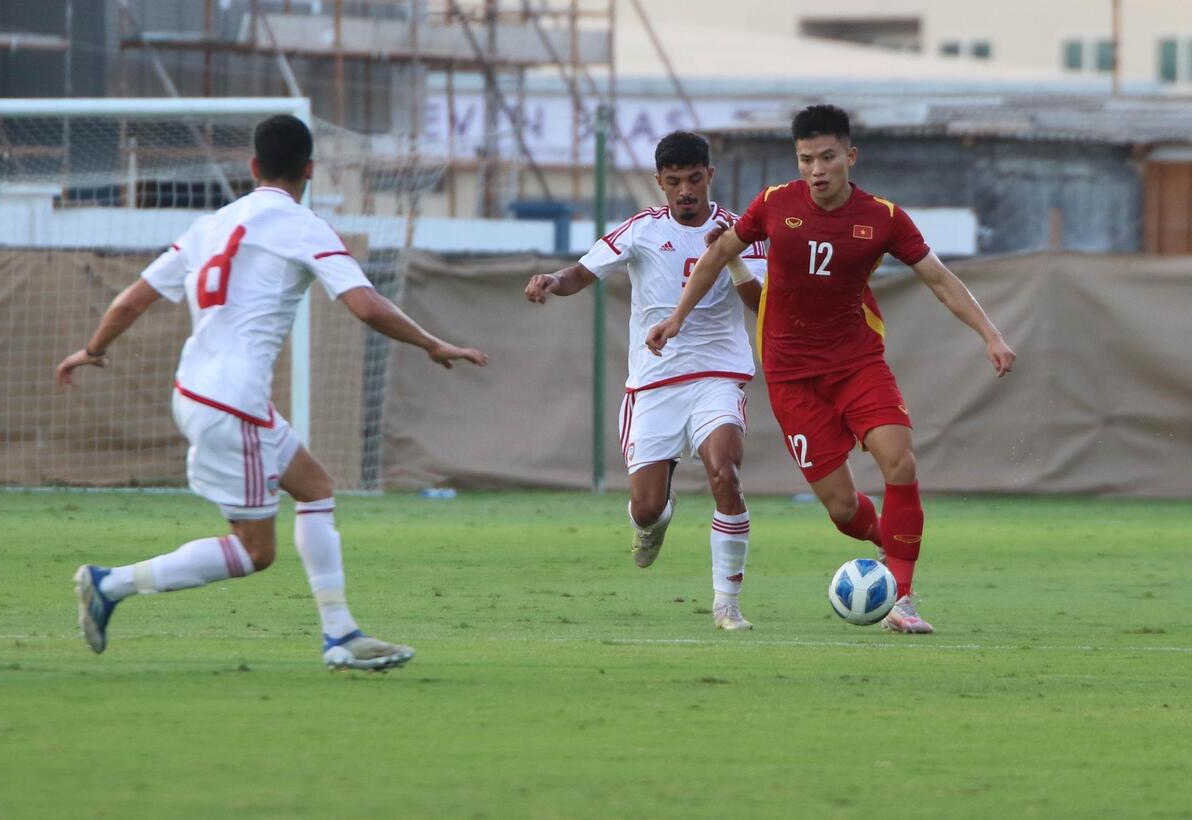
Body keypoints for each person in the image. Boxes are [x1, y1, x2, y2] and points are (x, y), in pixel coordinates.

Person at [58, 114, 488, 669]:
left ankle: (341, 633)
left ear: (253, 166)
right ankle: (109, 584)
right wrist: (430, 343)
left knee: (314, 487)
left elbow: (131, 301)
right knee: (254, 551)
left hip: (197, 391)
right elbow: (365, 304)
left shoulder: (211, 225)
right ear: (310, 169)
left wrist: (93, 349)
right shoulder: (304, 226)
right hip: (232, 402)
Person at [646, 105, 1016, 634]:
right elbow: (717, 254)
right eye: (806, 159)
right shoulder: (774, 204)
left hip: (856, 363)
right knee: (843, 510)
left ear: (850, 156)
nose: (816, 170)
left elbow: (939, 278)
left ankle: (903, 599)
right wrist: (677, 318)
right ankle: (895, 545)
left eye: (826, 157)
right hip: (792, 377)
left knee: (900, 462)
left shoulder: (883, 218)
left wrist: (991, 334)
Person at [524, 131, 767, 631]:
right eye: (674, 181)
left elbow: (761, 304)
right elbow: (581, 273)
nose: (685, 191)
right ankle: (653, 519)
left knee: (726, 474)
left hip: (717, 376)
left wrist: (733, 255)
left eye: (694, 179)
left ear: (710, 176)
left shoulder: (741, 231)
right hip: (654, 384)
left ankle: (726, 603)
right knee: (647, 506)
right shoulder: (641, 230)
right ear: (659, 182)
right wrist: (553, 281)